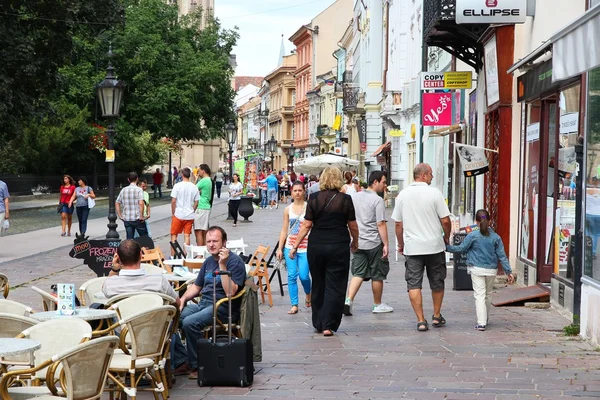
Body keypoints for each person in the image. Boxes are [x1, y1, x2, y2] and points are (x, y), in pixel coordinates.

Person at [102, 240, 189, 375]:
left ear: (118, 257)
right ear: (141, 256)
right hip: (154, 333)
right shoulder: (158, 281)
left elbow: (105, 290)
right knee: (168, 321)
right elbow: (177, 304)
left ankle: (180, 361)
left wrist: (114, 268)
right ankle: (176, 364)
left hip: (124, 334)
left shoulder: (110, 284)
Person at [290, 167, 359, 337]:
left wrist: (295, 245)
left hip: (317, 245)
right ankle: (329, 324)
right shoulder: (345, 199)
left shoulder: (314, 198)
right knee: (335, 285)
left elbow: (306, 225)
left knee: (319, 282)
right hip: (338, 245)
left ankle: (319, 321)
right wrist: (355, 241)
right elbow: (353, 226)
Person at [178, 226, 246, 379]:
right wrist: (182, 299)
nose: (211, 244)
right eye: (208, 241)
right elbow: (197, 286)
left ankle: (197, 366)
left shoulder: (235, 262)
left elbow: (230, 292)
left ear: (224, 243)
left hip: (223, 307)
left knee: (190, 323)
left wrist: (223, 264)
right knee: (174, 316)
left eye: (215, 241)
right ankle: (182, 360)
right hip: (204, 304)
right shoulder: (208, 261)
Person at [392, 163, 452, 332]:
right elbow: (446, 220)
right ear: (424, 175)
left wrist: (401, 243)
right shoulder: (435, 193)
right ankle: (436, 315)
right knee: (437, 282)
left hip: (413, 248)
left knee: (413, 284)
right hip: (434, 245)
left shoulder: (403, 195)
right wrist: (446, 236)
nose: (432, 176)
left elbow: (398, 223)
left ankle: (420, 320)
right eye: (431, 174)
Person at [446, 209, 515, 331]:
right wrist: (508, 272)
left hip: (477, 269)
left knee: (479, 295)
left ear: (475, 221)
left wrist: (446, 247)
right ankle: (485, 318)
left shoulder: (472, 236)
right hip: (491, 270)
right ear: (490, 221)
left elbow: (461, 248)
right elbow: (502, 256)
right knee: (488, 294)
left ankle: (481, 322)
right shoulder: (496, 237)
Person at [344, 171, 392, 316]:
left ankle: (348, 300)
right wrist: (386, 244)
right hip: (373, 242)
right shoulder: (377, 200)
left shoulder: (353, 197)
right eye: (383, 182)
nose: (385, 186)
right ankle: (377, 304)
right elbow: (381, 224)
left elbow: (349, 219)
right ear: (375, 182)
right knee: (377, 274)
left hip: (358, 241)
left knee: (358, 273)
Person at [276, 181, 312, 315]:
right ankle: (294, 304)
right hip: (289, 246)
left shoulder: (309, 208)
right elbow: (284, 229)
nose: (297, 193)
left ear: (304, 192)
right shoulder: (287, 209)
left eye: (300, 190)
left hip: (305, 247)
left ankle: (308, 293)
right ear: (291, 192)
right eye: (295, 191)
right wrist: (280, 248)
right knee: (291, 276)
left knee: (304, 276)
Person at [170, 167, 199, 254]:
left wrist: (173, 212)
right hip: (189, 215)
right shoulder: (194, 187)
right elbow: (197, 202)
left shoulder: (177, 186)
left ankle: (173, 255)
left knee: (174, 235)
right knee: (187, 236)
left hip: (178, 214)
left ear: (182, 175)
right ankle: (185, 255)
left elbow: (173, 201)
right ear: (190, 175)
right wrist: (192, 209)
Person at [116, 172, 147, 240]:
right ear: (137, 179)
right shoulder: (139, 189)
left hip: (127, 218)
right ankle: (145, 249)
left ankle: (130, 250)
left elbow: (117, 202)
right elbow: (141, 203)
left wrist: (120, 215)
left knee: (129, 238)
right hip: (137, 218)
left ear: (128, 180)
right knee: (144, 238)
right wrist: (141, 216)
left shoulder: (123, 190)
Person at [194, 164, 215, 245]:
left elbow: (192, 190)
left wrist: (196, 179)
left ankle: (200, 252)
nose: (198, 173)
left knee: (198, 231)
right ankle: (204, 250)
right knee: (204, 230)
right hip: (206, 206)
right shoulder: (209, 180)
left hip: (201, 206)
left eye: (199, 171)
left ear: (203, 171)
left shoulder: (203, 180)